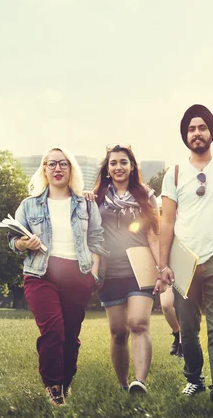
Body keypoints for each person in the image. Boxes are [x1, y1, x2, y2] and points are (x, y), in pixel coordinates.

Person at [159, 104, 213, 405]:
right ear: (185, 135)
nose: (197, 133)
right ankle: (193, 379)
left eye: (202, 128)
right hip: (183, 260)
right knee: (189, 328)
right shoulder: (175, 172)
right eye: (191, 129)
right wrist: (163, 264)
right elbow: (166, 221)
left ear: (211, 132)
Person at [8, 146, 106, 406]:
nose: (57, 169)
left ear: (70, 169)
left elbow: (96, 239)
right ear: (44, 170)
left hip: (77, 274)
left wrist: (93, 275)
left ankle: (65, 382)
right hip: (41, 274)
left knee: (71, 335)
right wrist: (23, 244)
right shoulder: (29, 205)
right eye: (51, 164)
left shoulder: (85, 203)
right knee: (53, 330)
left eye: (63, 164)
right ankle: (52, 385)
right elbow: (12, 240)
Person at [91, 144, 165, 393]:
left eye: (123, 162)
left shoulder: (146, 195)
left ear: (132, 167)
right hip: (109, 271)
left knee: (138, 323)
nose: (118, 167)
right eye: (113, 163)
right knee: (118, 332)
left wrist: (161, 268)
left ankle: (139, 382)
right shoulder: (97, 197)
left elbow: (154, 235)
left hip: (140, 269)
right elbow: (90, 234)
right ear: (107, 168)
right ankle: (123, 384)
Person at [160, 285, 183, 357]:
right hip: (165, 275)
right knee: (166, 305)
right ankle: (177, 333)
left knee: (184, 306)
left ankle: (182, 343)